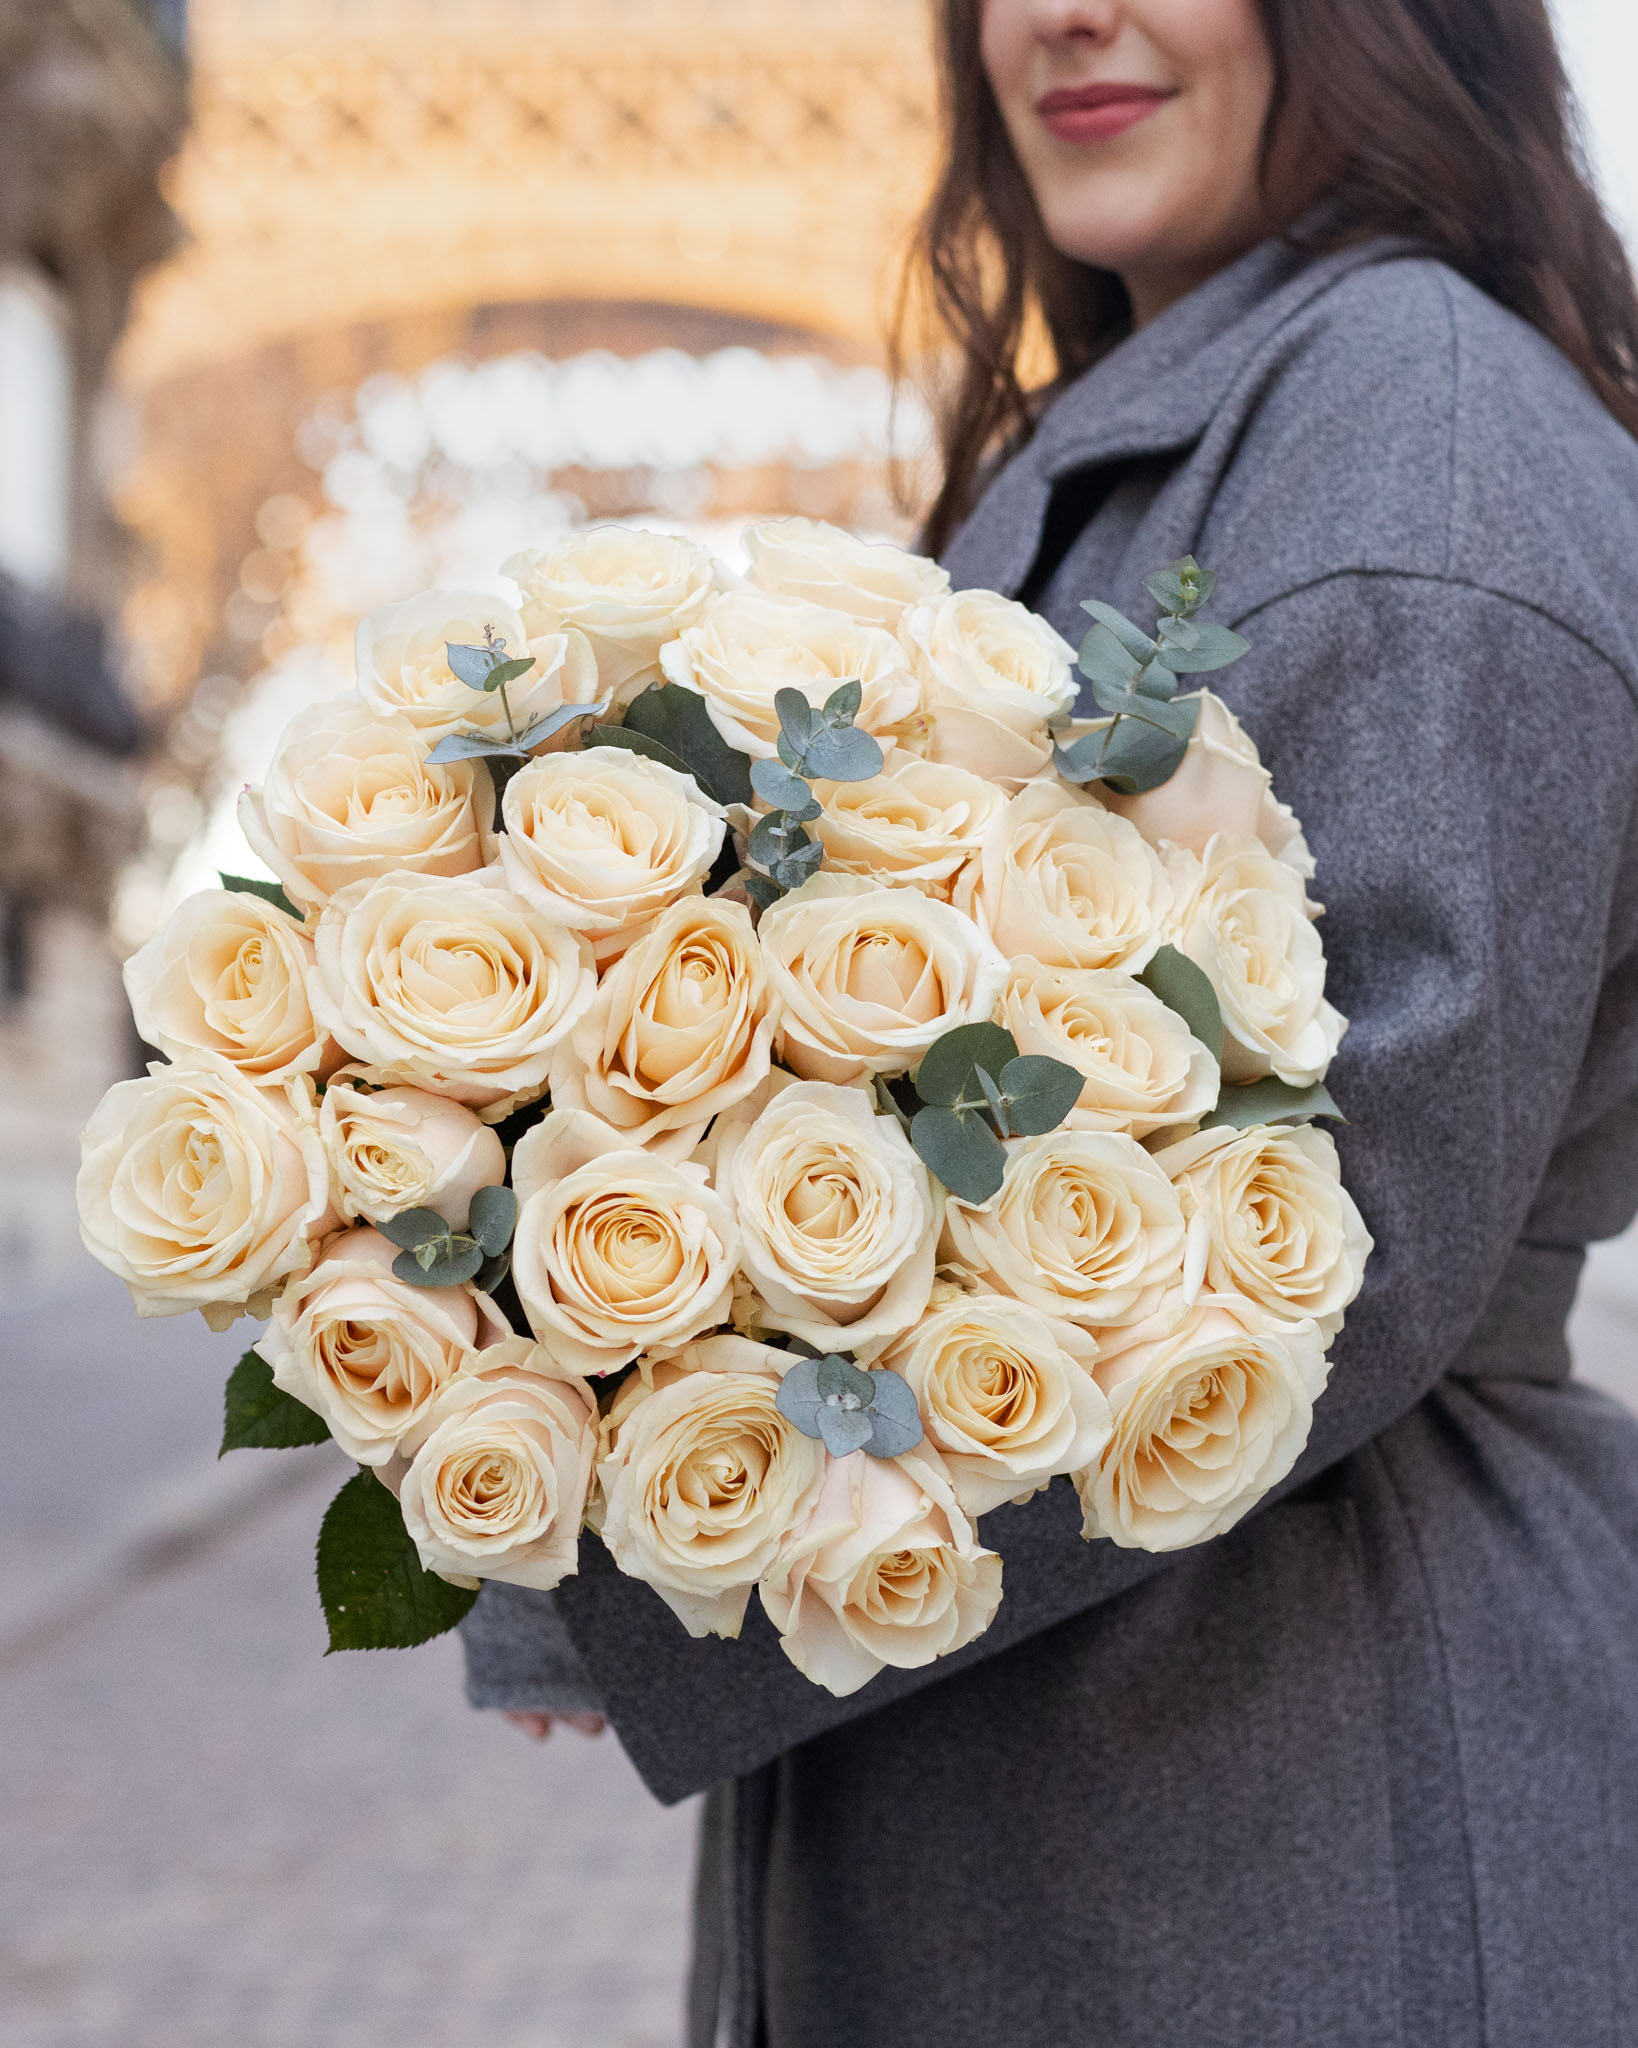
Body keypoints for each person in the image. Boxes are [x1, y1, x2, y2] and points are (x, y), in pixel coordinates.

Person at [462, 2, 1638, 2042]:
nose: (1060, 13)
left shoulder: (1413, 432)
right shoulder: (1224, 411)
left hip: (1286, 1788)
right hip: (1169, 1791)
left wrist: (644, 1504)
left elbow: (1336, 1234)